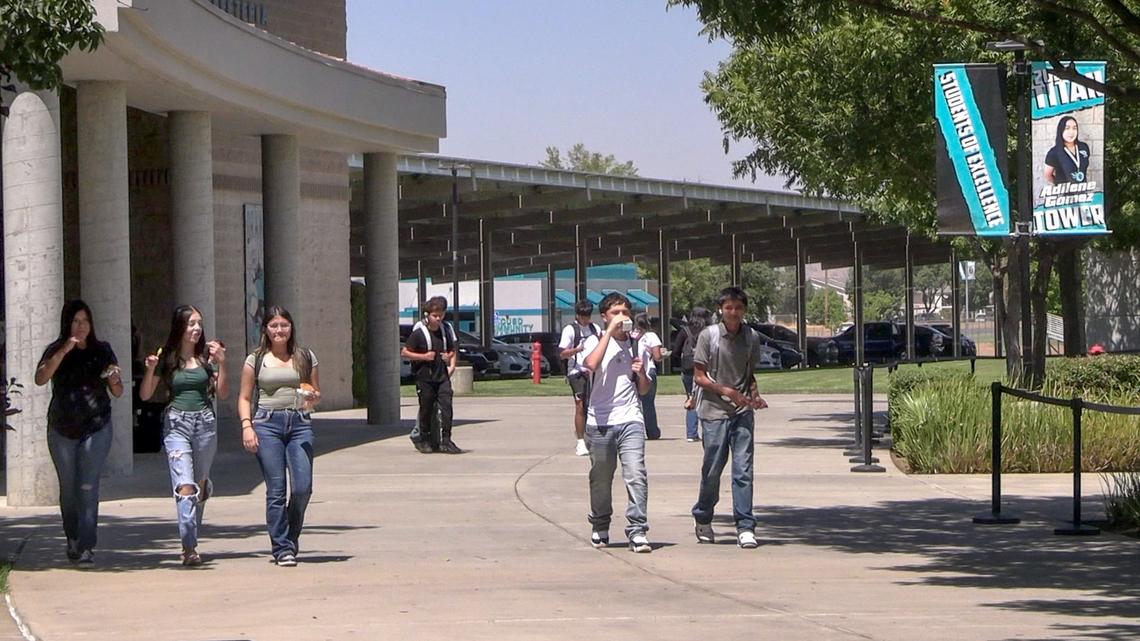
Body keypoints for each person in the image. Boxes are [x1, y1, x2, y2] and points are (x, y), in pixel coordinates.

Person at [34, 300, 124, 566]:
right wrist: (64, 350)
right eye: (76, 321)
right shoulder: (56, 350)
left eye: (85, 321)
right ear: (67, 324)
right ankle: (72, 537)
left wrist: (114, 378)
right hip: (62, 427)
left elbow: (117, 391)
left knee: (88, 485)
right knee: (69, 488)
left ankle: (87, 545)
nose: (81, 326)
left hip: (96, 426)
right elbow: (40, 378)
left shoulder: (102, 350)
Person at [139, 305, 229, 566]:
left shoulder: (206, 358)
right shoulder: (167, 358)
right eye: (191, 323)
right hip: (177, 424)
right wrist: (150, 369)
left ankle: (203, 488)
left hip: (204, 425)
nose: (196, 328)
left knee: (198, 487)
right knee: (185, 487)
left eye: (199, 323)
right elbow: (145, 394)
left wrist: (222, 363)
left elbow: (222, 393)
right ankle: (189, 546)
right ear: (180, 327)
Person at [238, 306, 321, 567]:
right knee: (276, 489)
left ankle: (290, 537)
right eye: (274, 325)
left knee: (302, 488)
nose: (279, 330)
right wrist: (247, 426)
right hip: (267, 424)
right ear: (266, 330)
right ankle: (282, 547)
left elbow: (314, 390)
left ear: (291, 328)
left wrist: (312, 398)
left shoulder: (305, 356)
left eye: (284, 325)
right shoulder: (256, 359)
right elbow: (244, 397)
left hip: (299, 423)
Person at [691, 287, 767, 549]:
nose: (733, 313)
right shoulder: (708, 336)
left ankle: (745, 525)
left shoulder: (751, 337)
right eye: (728, 308)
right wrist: (726, 391)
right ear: (720, 310)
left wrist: (755, 397)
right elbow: (699, 376)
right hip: (714, 412)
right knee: (712, 470)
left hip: (742, 413)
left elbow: (750, 374)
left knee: (743, 470)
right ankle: (703, 515)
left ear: (744, 310)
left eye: (738, 308)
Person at [579, 292, 654, 553]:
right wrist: (609, 333)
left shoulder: (638, 344)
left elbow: (644, 390)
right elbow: (590, 364)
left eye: (625, 312)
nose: (621, 317)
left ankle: (637, 529)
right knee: (601, 477)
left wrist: (642, 373)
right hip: (599, 421)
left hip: (630, 418)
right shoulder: (593, 341)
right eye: (615, 313)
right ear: (604, 317)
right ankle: (600, 523)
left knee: (636, 474)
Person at [401, 296, 460, 454]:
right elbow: (405, 353)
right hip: (425, 377)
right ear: (428, 315)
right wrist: (423, 357)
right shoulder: (419, 332)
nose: (438, 318)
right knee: (426, 408)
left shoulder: (446, 330)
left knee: (447, 406)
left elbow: (452, 349)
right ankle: (424, 438)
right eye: (435, 315)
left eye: (441, 315)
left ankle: (446, 440)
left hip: (442, 376)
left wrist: (450, 360)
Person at [558, 300, 601, 456]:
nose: (586, 319)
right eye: (583, 316)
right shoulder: (570, 330)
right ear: (577, 315)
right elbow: (562, 353)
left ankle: (593, 437)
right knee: (580, 405)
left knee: (594, 405)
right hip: (577, 372)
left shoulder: (595, 329)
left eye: (588, 316)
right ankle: (581, 441)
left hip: (593, 372)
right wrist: (577, 349)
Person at [672, 307, 711, 442]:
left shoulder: (685, 331)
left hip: (688, 368)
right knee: (706, 399)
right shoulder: (709, 331)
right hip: (705, 368)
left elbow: (676, 350)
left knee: (691, 398)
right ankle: (708, 432)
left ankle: (691, 433)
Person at [633, 313, 662, 440]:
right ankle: (652, 431)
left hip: (633, 370)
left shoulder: (631, 335)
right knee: (648, 402)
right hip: (647, 370)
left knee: (634, 402)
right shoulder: (651, 336)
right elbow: (657, 357)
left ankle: (634, 430)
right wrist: (663, 354)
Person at [1043, 116, 1090, 185]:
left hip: (1083, 192)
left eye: (1074, 128)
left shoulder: (1084, 147)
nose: (1071, 132)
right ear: (1061, 130)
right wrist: (1060, 185)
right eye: (1067, 128)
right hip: (1064, 194)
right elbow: (1048, 175)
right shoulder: (1054, 152)